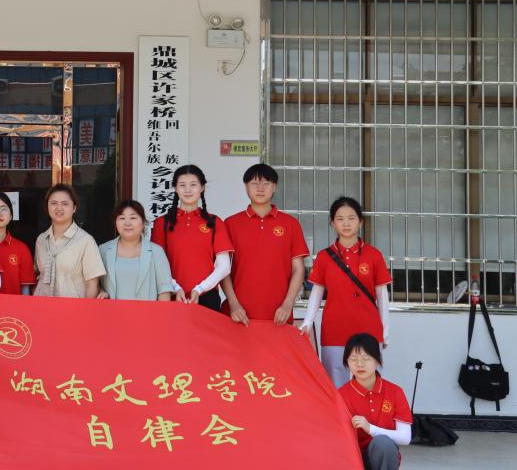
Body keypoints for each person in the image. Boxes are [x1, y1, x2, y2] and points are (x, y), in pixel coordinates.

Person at [300, 197, 392, 386]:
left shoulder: (374, 255)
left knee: (368, 382)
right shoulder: (324, 257)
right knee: (335, 383)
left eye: (351, 218)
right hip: (334, 328)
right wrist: (307, 322)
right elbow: (316, 293)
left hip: (369, 328)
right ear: (332, 223)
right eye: (340, 219)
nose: (346, 223)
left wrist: (385, 331)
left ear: (361, 222)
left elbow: (382, 295)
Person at [335, 332, 412, 470]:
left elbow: (405, 437)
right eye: (353, 359)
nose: (359, 364)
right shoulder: (340, 395)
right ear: (346, 363)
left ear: (377, 361)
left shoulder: (395, 392)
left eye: (366, 358)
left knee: (383, 443)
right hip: (353, 461)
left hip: (382, 458)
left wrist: (371, 429)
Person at [221, 163, 310, 324]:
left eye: (266, 184)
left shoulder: (290, 224)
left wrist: (288, 304)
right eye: (255, 183)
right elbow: (222, 269)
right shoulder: (231, 224)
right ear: (246, 187)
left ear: (274, 187)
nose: (260, 189)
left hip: (279, 315)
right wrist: (233, 304)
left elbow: (298, 269)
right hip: (239, 315)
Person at [150, 165, 234, 312]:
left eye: (193, 185)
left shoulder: (215, 222)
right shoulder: (162, 223)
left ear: (202, 188)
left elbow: (224, 266)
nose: (188, 190)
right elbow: (156, 263)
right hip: (171, 295)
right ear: (175, 188)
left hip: (207, 296)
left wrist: (199, 289)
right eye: (182, 185)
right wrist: (176, 288)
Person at [33, 184, 103, 299]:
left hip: (73, 307)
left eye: (65, 204)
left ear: (74, 208)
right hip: (42, 305)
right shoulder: (41, 240)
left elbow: (92, 284)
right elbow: (38, 275)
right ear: (47, 207)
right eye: (54, 203)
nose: (59, 208)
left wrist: (87, 308)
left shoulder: (85, 241)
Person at [96, 199, 174, 301]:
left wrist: (161, 311)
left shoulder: (156, 252)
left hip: (146, 311)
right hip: (111, 310)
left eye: (133, 218)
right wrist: (101, 291)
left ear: (143, 222)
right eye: (122, 218)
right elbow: (94, 283)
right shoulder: (103, 250)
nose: (127, 223)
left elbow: (164, 290)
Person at [0, 192, 36, 295]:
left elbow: (25, 289)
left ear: (11, 216)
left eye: (3, 209)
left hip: (13, 305)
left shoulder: (21, 249)